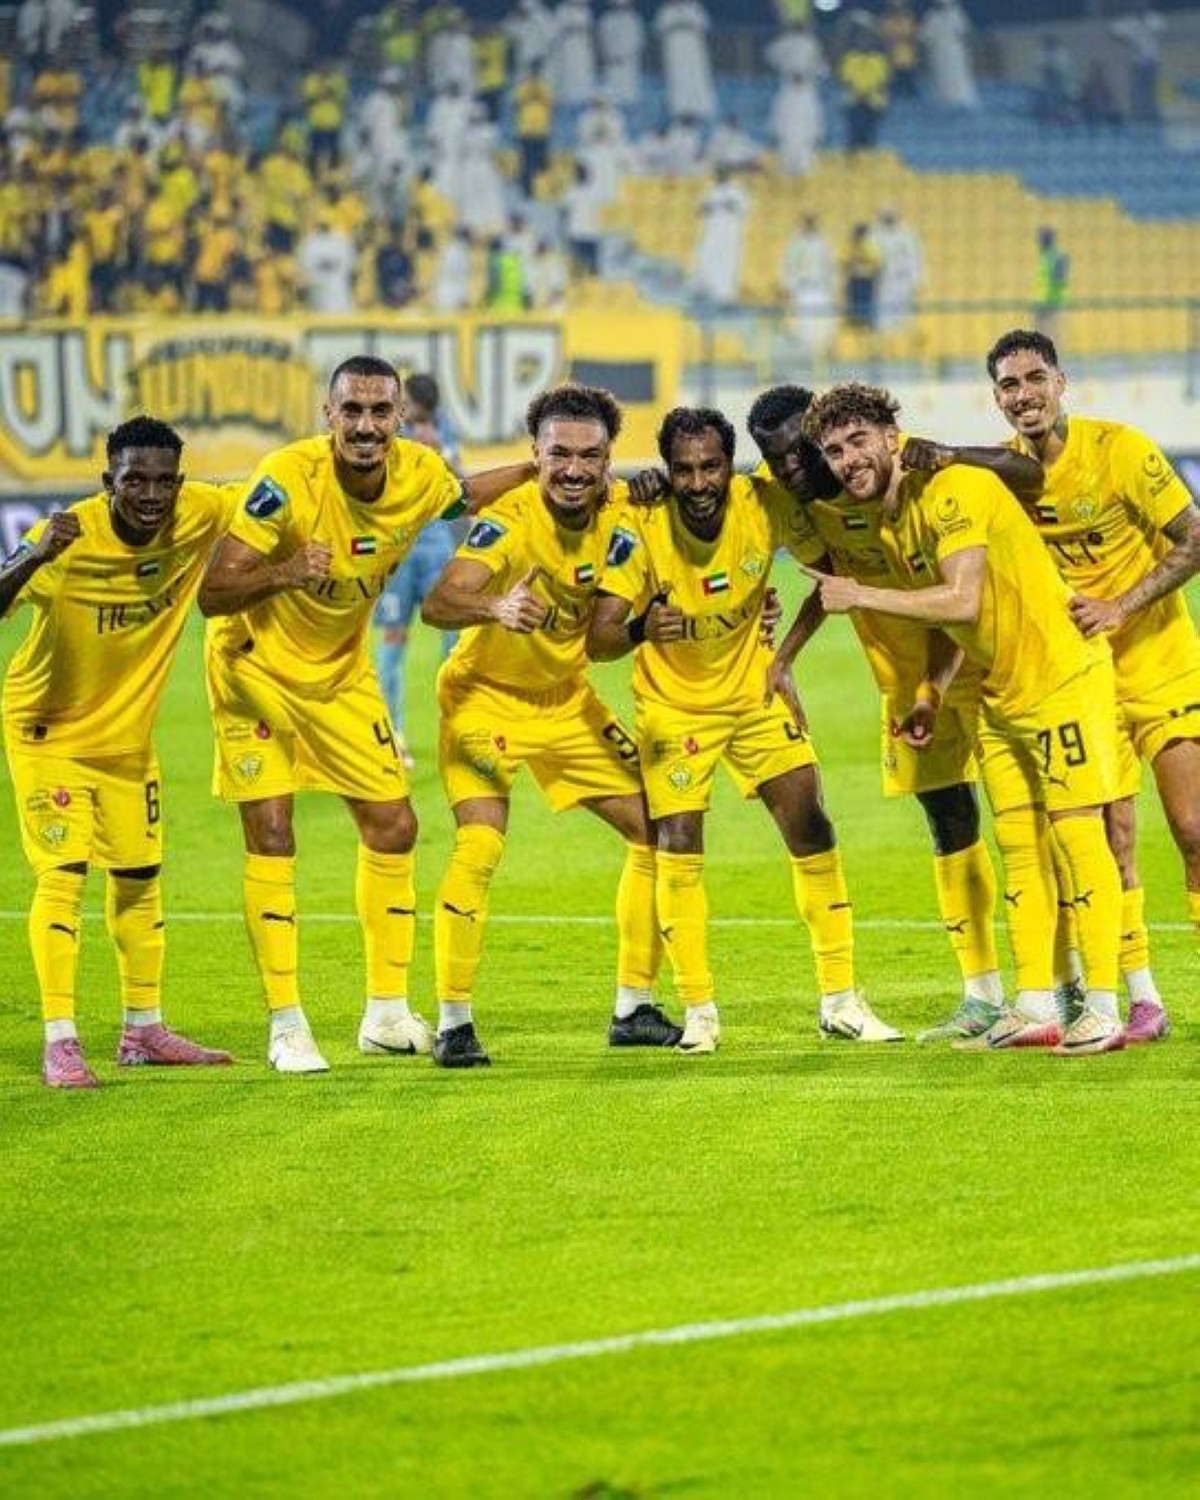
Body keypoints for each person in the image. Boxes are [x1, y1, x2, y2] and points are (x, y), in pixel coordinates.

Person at [197, 356, 532, 1074]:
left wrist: (538, 468)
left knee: (394, 825)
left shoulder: (419, 471)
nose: (366, 425)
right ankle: (287, 1025)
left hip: (340, 674)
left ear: (400, 418)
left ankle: (384, 1013)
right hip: (254, 670)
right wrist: (286, 571)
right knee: (273, 833)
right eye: (351, 410)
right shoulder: (287, 478)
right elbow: (214, 592)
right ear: (329, 415)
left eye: (380, 411)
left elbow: (463, 496)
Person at [801, 383, 1128, 1055]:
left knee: (1076, 836)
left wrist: (859, 593)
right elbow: (955, 624)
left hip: (1062, 677)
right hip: (1001, 693)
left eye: (859, 441)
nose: (849, 460)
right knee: (1019, 846)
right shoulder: (895, 519)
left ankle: (1102, 1007)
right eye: (834, 451)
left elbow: (961, 598)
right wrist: (929, 692)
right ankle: (1034, 1005)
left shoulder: (953, 490)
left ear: (892, 437)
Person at [749, 384, 1069, 1047]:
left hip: (984, 656)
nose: (791, 470)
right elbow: (825, 582)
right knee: (950, 821)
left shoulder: (902, 468)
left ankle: (1064, 981)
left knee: (1040, 819)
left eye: (800, 453)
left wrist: (951, 451)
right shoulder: (790, 497)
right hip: (907, 680)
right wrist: (782, 657)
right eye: (776, 461)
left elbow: (1024, 476)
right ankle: (983, 993)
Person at [588, 407, 903, 1053]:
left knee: (812, 824)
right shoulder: (641, 521)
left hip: (753, 695)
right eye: (683, 470)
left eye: (710, 467)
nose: (698, 483)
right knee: (678, 844)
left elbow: (830, 577)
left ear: (731, 466)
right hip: (674, 709)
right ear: (666, 470)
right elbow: (599, 639)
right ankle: (699, 1012)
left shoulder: (765, 504)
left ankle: (841, 1001)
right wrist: (642, 628)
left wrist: (781, 660)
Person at [420, 384, 681, 1066]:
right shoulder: (509, 519)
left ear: (608, 459)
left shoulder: (623, 506)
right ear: (535, 454)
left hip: (566, 701)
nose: (573, 469)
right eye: (559, 453)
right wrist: (496, 608)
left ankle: (634, 1007)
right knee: (480, 844)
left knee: (657, 828)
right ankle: (453, 1024)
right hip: (483, 698)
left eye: (589, 456)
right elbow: (439, 602)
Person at [0, 417, 235, 1088]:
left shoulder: (201, 512)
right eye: (135, 481)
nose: (151, 495)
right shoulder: (67, 538)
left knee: (139, 877)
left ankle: (143, 1030)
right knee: (64, 875)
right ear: (109, 481)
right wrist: (34, 556)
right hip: (49, 732)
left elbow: (279, 498)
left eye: (164, 481)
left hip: (126, 741)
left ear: (180, 483)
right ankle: (60, 1039)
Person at [988, 329, 1200, 1036]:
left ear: (1061, 381)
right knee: (1113, 836)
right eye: (1010, 384)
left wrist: (1121, 606)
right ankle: (1143, 997)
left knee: (1193, 829)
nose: (1025, 395)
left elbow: (1195, 537)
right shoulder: (1004, 476)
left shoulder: (1120, 450)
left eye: (1035, 378)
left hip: (1162, 662)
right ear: (997, 398)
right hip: (1085, 678)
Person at [374, 373, 462, 765]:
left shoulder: (445, 428)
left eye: (407, 401)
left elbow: (458, 487)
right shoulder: (390, 431)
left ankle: (458, 728)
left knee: (455, 638)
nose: (403, 408)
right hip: (397, 549)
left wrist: (441, 455)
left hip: (435, 544)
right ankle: (392, 735)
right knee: (393, 638)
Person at [691, 167, 749, 308]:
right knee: (705, 260)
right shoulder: (710, 192)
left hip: (729, 235)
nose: (719, 176)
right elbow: (698, 211)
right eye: (717, 174)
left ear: (728, 175)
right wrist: (707, 207)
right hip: (711, 234)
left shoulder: (737, 191)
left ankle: (725, 297)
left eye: (722, 173)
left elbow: (743, 209)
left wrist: (729, 206)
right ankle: (703, 294)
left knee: (726, 265)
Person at [1032, 227, 1069, 342]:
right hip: (1042, 303)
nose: (1038, 242)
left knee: (1052, 336)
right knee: (1041, 337)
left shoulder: (1057, 257)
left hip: (1052, 303)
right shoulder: (1045, 257)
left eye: (1040, 239)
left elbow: (1059, 280)